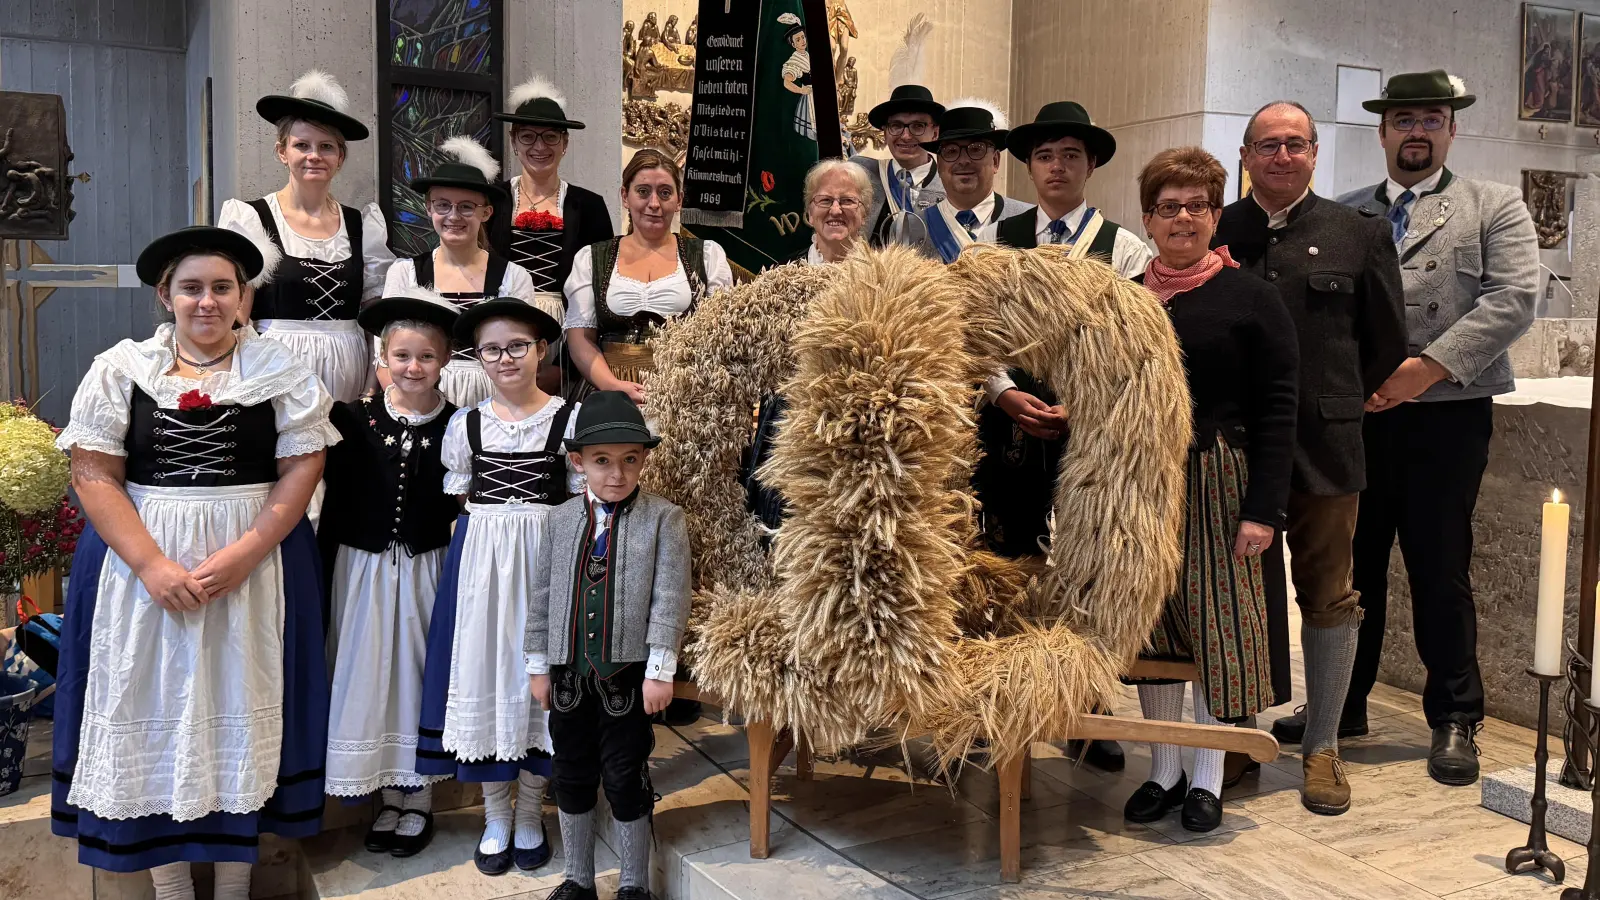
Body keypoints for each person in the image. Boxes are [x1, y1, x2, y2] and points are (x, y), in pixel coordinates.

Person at [52, 227, 335, 899]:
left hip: (255, 563)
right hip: (140, 565)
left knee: (241, 699)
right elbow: (93, 473)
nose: (206, 302)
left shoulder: (279, 371)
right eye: (191, 288)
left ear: (244, 298)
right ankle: (173, 888)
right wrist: (150, 565)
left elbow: (303, 464)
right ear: (164, 296)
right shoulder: (123, 368)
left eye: (221, 288)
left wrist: (244, 555)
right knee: (151, 697)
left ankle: (235, 887)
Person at [1339, 70, 1539, 787]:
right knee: (1351, 569)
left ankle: (1455, 717)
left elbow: (1514, 297)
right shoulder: (1346, 211)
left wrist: (1426, 369)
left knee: (1439, 568)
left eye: (1430, 118)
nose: (1416, 130)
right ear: (1383, 131)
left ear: (1450, 130)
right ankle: (1342, 703)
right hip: (1358, 419)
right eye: (1402, 119)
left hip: (1447, 416)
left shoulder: (1494, 206)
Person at [1213, 100, 1406, 816]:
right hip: (1232, 453)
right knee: (1236, 598)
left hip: (1325, 447)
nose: (1282, 156)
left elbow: (1386, 342)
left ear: (1316, 153)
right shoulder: (1217, 229)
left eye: (1296, 144)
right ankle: (1237, 740)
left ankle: (1322, 745)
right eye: (1268, 145)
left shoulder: (1357, 234)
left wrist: (1342, 399)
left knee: (1329, 592)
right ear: (1246, 154)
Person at [1121, 148, 1298, 834]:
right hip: (1139, 483)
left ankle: (1208, 777)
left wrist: (1264, 510)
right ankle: (1163, 771)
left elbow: (1280, 406)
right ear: (1148, 218)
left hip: (1220, 479)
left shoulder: (1252, 296)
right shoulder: (1127, 295)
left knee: (1219, 629)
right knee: (1154, 624)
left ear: (1217, 215)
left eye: (1198, 205)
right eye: (1169, 206)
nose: (1184, 217)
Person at [977, 100, 1149, 773]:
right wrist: (1005, 392)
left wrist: (1083, 402)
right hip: (1010, 422)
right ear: (1028, 164)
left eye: (1070, 155)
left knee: (1086, 565)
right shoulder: (997, 241)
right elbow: (977, 330)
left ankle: (1089, 709)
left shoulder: (1124, 247)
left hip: (1091, 428)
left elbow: (1133, 342)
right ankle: (1005, 702)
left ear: (1092, 165)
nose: (1056, 167)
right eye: (1045, 155)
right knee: (1008, 560)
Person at [415, 298, 578, 876]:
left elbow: (580, 498)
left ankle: (531, 811)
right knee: (487, 671)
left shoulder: (568, 419)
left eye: (517, 346)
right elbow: (463, 493)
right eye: (491, 349)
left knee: (540, 677)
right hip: (483, 560)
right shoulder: (467, 424)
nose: (505, 358)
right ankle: (495, 815)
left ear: (541, 351)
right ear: (477, 358)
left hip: (547, 557)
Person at [526, 391, 692, 900]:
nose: (616, 474)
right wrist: (538, 665)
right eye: (602, 461)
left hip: (626, 677)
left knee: (625, 773)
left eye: (629, 461)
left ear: (642, 461)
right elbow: (543, 597)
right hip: (568, 675)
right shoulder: (558, 520)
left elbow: (670, 598)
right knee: (571, 772)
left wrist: (660, 669)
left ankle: (634, 883)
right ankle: (577, 878)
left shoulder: (664, 518)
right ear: (579, 463)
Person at [319, 288, 462, 857]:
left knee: (415, 673)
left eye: (426, 356)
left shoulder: (458, 424)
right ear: (383, 359)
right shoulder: (348, 419)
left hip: (426, 565)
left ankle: (418, 796)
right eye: (402, 356)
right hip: (363, 568)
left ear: (445, 360)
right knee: (369, 671)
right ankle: (383, 795)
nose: (413, 367)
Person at [220, 70, 394, 403]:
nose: (314, 155)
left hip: (349, 370)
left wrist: (374, 380)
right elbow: (237, 315)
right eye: (302, 145)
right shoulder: (252, 218)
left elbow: (374, 313)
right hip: (274, 369)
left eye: (326, 146)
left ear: (340, 157)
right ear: (282, 152)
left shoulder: (362, 226)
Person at [564, 149, 734, 407]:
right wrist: (613, 387)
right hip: (608, 392)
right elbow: (580, 339)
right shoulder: (591, 258)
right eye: (643, 191)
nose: (654, 203)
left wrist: (686, 387)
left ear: (679, 200)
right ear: (625, 196)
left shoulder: (708, 255)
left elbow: (722, 335)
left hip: (686, 396)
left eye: (665, 193)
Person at [384, 136, 537, 409]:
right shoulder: (404, 273)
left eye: (467, 206)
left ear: (486, 213)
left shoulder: (513, 277)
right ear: (429, 208)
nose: (454, 216)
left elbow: (522, 357)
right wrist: (412, 408)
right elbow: (384, 357)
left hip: (495, 400)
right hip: (421, 398)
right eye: (443, 205)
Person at [488, 77, 616, 401]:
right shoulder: (493, 200)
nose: (539, 147)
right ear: (514, 141)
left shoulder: (588, 206)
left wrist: (562, 365)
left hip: (566, 336)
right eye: (528, 137)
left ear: (565, 143)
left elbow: (601, 291)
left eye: (550, 137)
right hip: (501, 329)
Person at [919, 100, 1034, 264]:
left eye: (976, 149)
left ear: (995, 161)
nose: (964, 160)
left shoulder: (1030, 221)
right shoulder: (912, 227)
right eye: (951, 151)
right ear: (939, 164)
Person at [849, 84, 945, 246]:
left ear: (935, 133)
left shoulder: (950, 188)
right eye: (896, 126)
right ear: (885, 132)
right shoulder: (862, 173)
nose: (906, 136)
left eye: (917, 126)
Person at [801, 158, 875, 263]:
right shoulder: (780, 274)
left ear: (864, 214)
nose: (835, 211)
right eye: (825, 200)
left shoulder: (888, 275)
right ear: (810, 214)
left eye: (848, 201)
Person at [778, 13, 817, 141]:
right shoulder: (795, 61)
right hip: (810, 98)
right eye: (798, 40)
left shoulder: (807, 54)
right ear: (793, 44)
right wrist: (801, 90)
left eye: (803, 37)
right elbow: (787, 82)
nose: (802, 41)